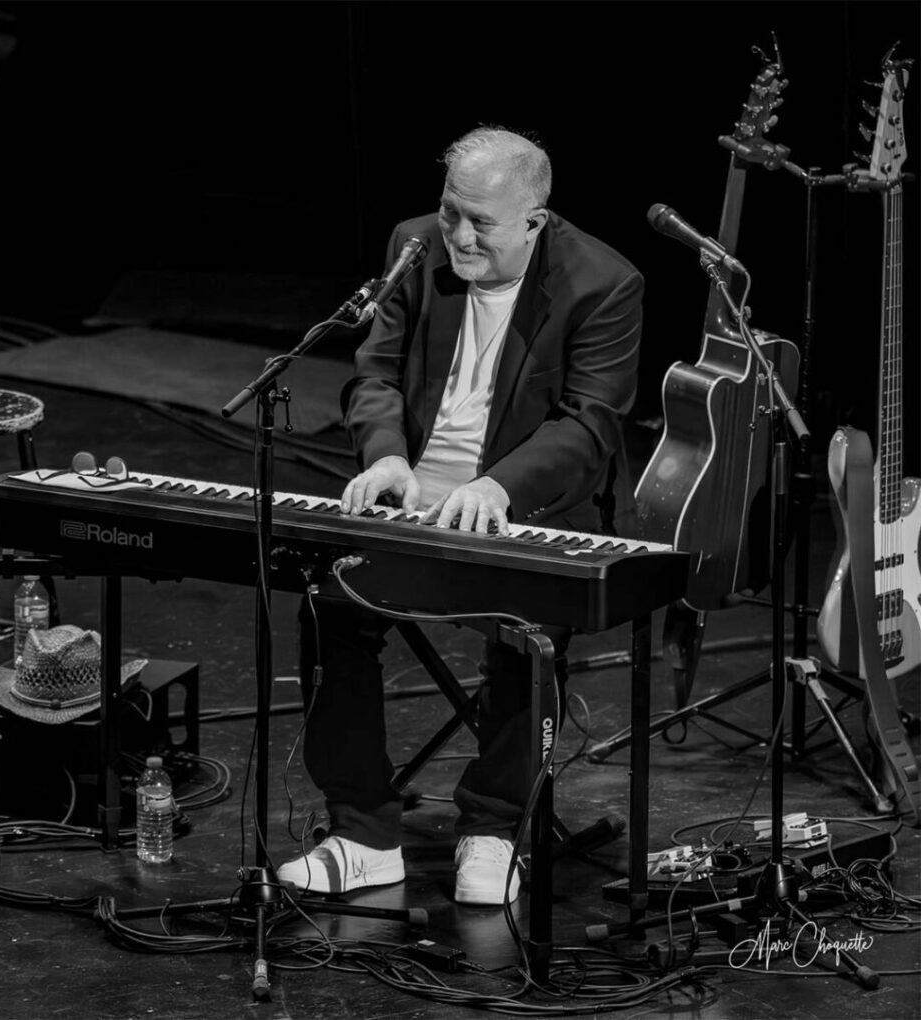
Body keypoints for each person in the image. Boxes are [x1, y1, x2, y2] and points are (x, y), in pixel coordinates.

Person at [277, 126, 643, 905]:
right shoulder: (415, 247)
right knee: (328, 602)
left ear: (536, 221)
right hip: (408, 498)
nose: (460, 236)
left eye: (483, 222)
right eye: (452, 213)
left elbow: (590, 425)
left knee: (529, 629)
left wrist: (498, 486)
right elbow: (374, 370)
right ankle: (363, 833)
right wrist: (384, 454)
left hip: (519, 509)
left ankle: (495, 827)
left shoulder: (602, 282)